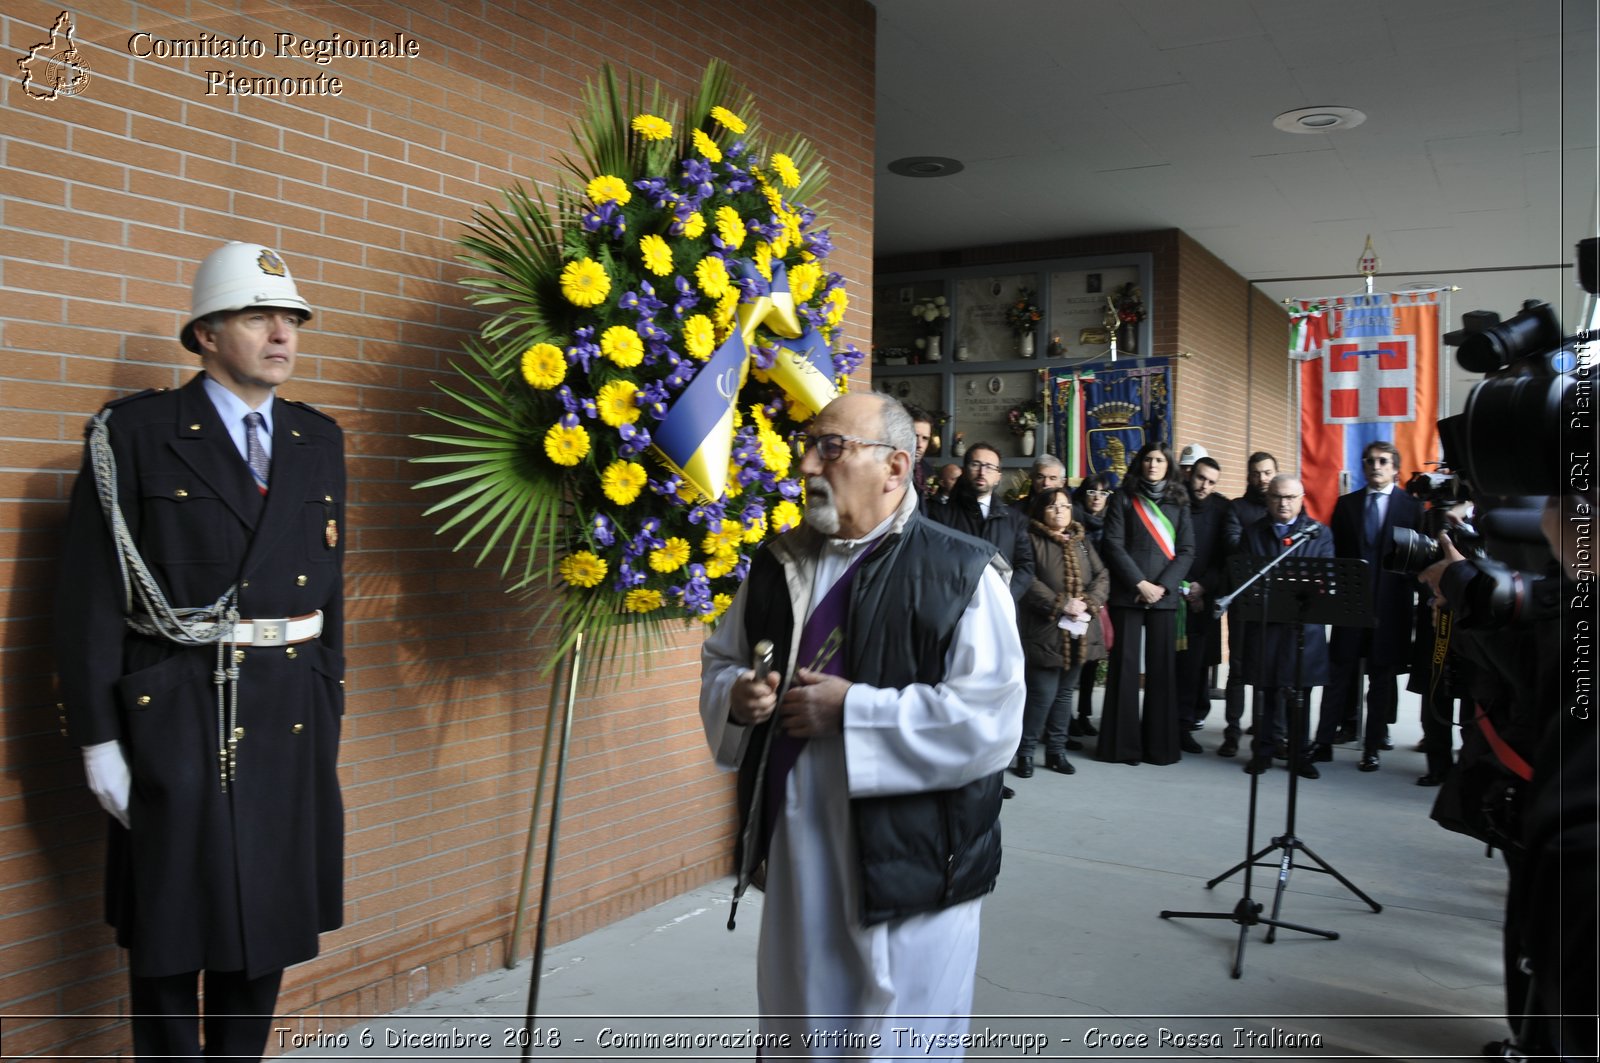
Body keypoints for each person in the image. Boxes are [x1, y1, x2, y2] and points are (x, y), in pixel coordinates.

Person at [54, 241, 346, 1061]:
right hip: (176, 710)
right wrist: (98, 738)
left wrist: (331, 698)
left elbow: (331, 593)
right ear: (205, 334)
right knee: (170, 924)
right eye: (259, 315)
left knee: (267, 921)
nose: (281, 333)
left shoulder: (317, 439)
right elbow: (89, 599)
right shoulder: (137, 434)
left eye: (290, 318)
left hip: (289, 710)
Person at [699, 391, 1025, 1052]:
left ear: (896, 467)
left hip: (918, 859)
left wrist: (853, 709)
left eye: (832, 447)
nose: (809, 464)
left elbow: (990, 720)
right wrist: (738, 696)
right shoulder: (776, 563)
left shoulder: (961, 571)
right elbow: (721, 660)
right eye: (808, 445)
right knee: (802, 1017)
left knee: (898, 1032)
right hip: (800, 844)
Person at [1312, 440, 1421, 771]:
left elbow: (1417, 560)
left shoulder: (1412, 508)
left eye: (1382, 461)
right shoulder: (1347, 506)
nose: (1375, 466)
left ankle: (1372, 746)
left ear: (1395, 468)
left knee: (1381, 681)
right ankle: (1323, 742)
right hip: (1350, 606)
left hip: (1391, 609)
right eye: (1370, 461)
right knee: (1337, 676)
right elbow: (1337, 555)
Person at [1095, 442, 1193, 766]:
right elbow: (1112, 544)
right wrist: (1139, 583)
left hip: (1163, 598)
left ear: (1169, 466)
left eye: (1159, 460)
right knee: (1123, 670)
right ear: (1140, 463)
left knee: (1162, 671)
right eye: (1148, 459)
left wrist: (1162, 587)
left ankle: (1159, 748)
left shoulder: (1180, 501)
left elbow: (1187, 550)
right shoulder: (1124, 498)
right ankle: (1121, 748)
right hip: (1129, 593)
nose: (1153, 465)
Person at [1234, 475, 1331, 778]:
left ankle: (1299, 755)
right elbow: (1245, 576)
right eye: (1277, 497)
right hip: (1266, 625)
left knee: (1299, 693)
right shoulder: (1253, 533)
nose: (1283, 503)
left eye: (1290, 497)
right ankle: (1262, 752)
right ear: (1268, 499)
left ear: (1301, 498)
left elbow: (1325, 577)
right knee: (1265, 690)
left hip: (1303, 628)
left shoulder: (1319, 533)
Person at [1013, 488, 1108, 778]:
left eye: (1065, 506)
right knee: (1041, 695)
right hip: (1046, 628)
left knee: (1065, 694)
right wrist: (1061, 603)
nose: (1060, 511)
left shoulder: (1082, 541)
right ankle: (1025, 753)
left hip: (1079, 629)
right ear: (1041, 509)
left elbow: (1101, 575)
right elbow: (1027, 578)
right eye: (1053, 506)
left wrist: (1088, 602)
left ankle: (1056, 751)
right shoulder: (1030, 538)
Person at [1173, 455, 1240, 751]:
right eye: (1201, 478)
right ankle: (1168, 723)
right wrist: (1184, 587)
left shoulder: (1223, 508)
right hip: (1174, 592)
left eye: (1211, 482)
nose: (1204, 486)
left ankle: (1186, 724)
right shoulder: (1174, 501)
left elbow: (1224, 557)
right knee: (1172, 665)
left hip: (1205, 595)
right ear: (1190, 475)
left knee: (1197, 666)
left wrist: (1203, 588)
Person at [1218, 451, 1278, 757]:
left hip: (1276, 603)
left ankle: (1264, 729)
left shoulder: (1282, 508)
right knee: (1239, 669)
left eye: (1267, 473)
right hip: (1243, 600)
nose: (1262, 478)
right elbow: (1232, 546)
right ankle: (1231, 732)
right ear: (1248, 477)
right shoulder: (1237, 509)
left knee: (1269, 669)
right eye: (1256, 473)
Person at [926, 440, 1036, 600]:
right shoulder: (941, 516)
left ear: (998, 476)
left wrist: (1004, 596)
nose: (982, 472)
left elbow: (1025, 566)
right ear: (964, 471)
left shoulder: (1014, 519)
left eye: (990, 467)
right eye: (975, 464)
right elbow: (933, 564)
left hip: (1000, 607)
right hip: (954, 607)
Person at [1067, 471, 1114, 741]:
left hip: (1101, 598)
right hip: (1074, 598)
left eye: (1103, 493)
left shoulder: (1112, 522)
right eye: (1092, 492)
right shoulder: (1073, 520)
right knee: (1073, 659)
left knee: (1092, 660)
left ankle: (1084, 714)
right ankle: (1067, 717)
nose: (1097, 498)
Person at [905, 403, 936, 506]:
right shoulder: (885, 469)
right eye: (915, 436)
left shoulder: (928, 471)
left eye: (925, 438)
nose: (920, 445)